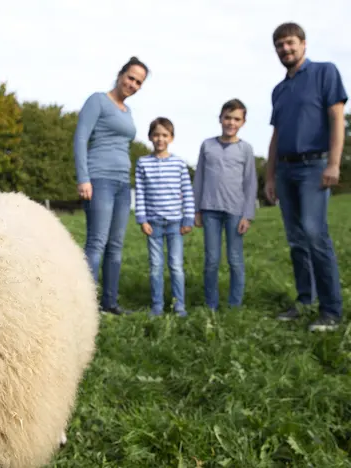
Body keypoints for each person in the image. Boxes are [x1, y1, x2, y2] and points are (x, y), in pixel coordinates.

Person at [264, 22, 347, 332]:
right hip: (285, 169)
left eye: (290, 43)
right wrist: (270, 177)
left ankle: (331, 311)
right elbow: (276, 135)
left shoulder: (325, 72)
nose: (286, 49)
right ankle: (304, 300)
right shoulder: (279, 90)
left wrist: (333, 163)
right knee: (296, 239)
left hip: (314, 165)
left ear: (303, 44)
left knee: (315, 234)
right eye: (280, 46)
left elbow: (337, 117)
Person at [73, 56, 149, 315]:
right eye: (131, 78)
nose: (133, 84)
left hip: (121, 183)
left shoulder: (127, 112)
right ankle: (87, 305)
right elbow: (81, 138)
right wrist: (84, 178)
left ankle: (110, 302)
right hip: (99, 179)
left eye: (139, 82)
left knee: (116, 245)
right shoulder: (98, 101)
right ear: (120, 75)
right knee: (97, 242)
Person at [193, 99, 258, 312]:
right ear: (220, 118)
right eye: (228, 117)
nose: (231, 122)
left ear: (243, 122)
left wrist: (247, 215)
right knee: (211, 260)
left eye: (236, 119)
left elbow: (250, 183)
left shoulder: (246, 149)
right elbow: (199, 178)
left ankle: (234, 305)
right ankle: (211, 304)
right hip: (210, 209)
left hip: (235, 212)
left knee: (235, 260)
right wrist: (196, 210)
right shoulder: (207, 146)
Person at [134, 117, 195, 317]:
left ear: (171, 138)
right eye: (156, 135)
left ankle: (179, 305)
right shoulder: (143, 163)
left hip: (175, 223)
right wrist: (142, 219)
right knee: (155, 267)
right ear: (150, 137)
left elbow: (187, 191)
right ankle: (157, 306)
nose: (160, 139)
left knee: (176, 266)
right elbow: (140, 192)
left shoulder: (178, 163)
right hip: (153, 224)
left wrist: (188, 219)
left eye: (164, 135)